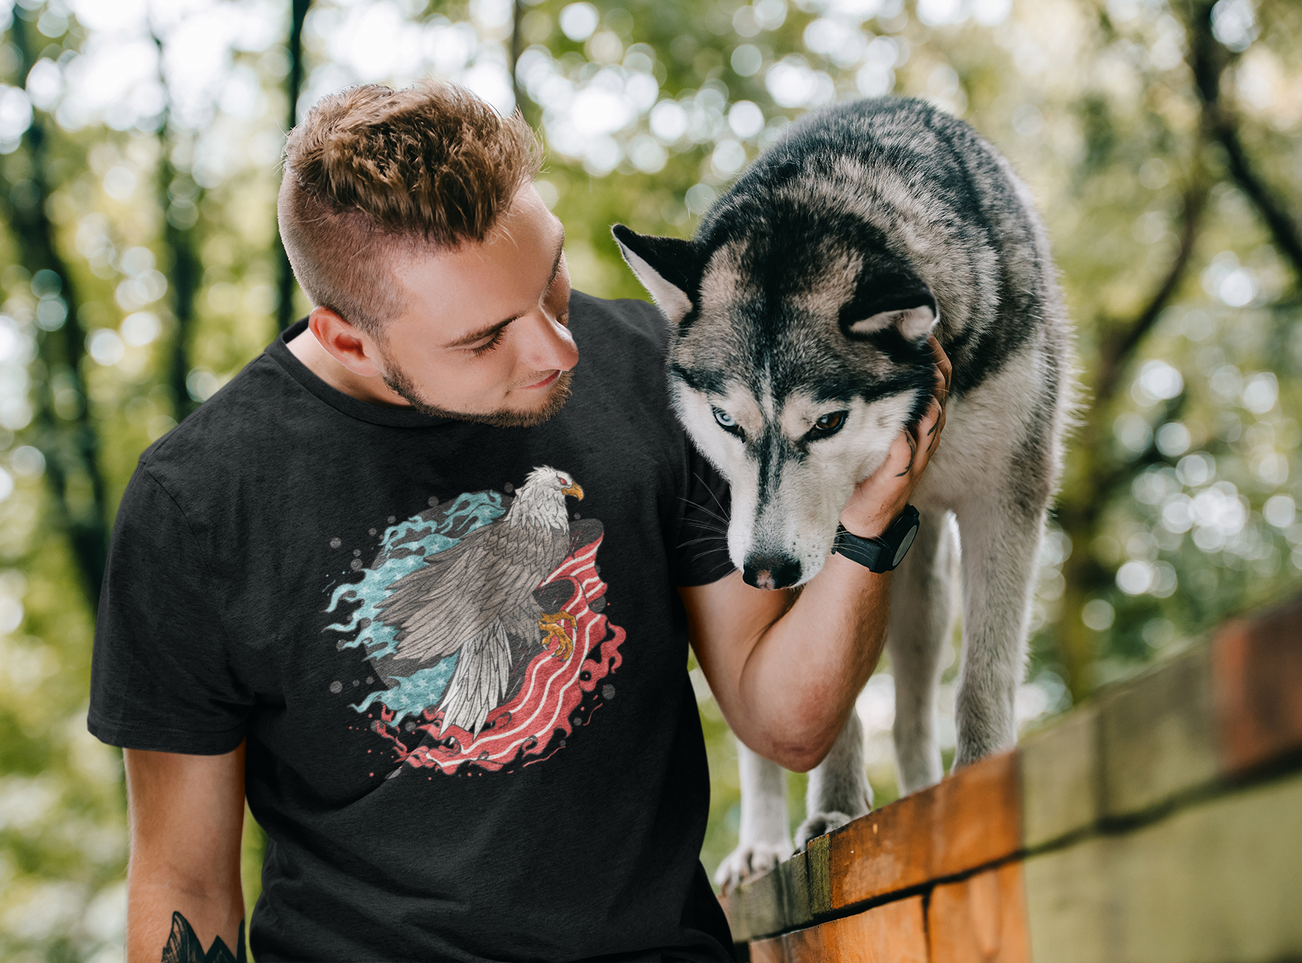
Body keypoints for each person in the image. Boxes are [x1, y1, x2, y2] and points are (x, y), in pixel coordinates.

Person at [88, 81, 948, 963]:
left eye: (552, 282)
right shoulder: (195, 505)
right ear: (347, 339)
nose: (556, 348)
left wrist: (870, 520)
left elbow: (787, 724)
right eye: (485, 336)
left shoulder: (668, 382)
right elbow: (185, 884)